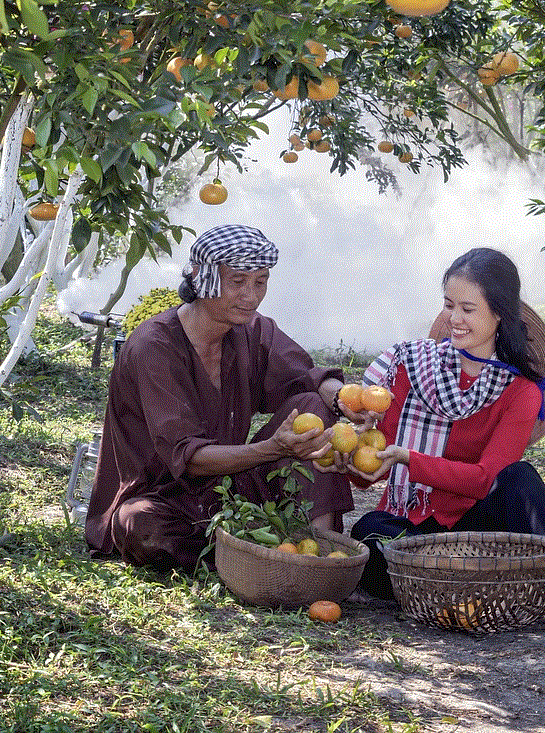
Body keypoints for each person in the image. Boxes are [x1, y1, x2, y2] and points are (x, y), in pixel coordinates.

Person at [345, 247, 545, 631]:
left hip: (477, 530)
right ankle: (477, 588)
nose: (454, 319)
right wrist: (356, 462)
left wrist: (409, 459)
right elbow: (374, 465)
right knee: (369, 534)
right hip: (409, 530)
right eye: (449, 305)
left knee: (520, 477)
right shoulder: (413, 369)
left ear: (499, 312)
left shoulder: (521, 393)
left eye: (467, 309)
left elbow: (486, 479)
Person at [84, 224, 360, 571]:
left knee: (312, 407)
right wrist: (273, 448)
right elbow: (191, 457)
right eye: (238, 281)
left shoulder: (253, 329)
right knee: (141, 526)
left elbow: (306, 377)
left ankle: (318, 558)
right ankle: (248, 552)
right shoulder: (154, 346)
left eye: (261, 282)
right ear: (203, 279)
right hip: (161, 497)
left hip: (229, 490)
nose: (251, 296)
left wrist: (345, 400)